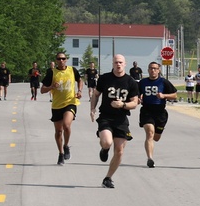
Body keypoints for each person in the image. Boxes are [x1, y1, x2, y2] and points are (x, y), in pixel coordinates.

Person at [89, 54, 139, 188]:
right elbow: (96, 94)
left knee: (120, 151)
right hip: (106, 116)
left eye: (121, 62)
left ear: (125, 64)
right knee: (107, 142)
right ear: (112, 63)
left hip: (121, 119)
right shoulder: (105, 78)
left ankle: (108, 178)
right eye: (116, 62)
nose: (118, 65)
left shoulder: (130, 82)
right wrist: (92, 109)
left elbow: (135, 103)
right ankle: (104, 149)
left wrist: (123, 105)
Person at [41, 52, 83, 165]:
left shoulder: (72, 70)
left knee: (66, 125)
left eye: (63, 58)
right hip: (56, 105)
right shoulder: (52, 72)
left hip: (70, 102)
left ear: (66, 60)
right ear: (56, 60)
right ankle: (60, 153)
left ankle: (66, 145)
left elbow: (80, 80)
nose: (61, 61)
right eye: (59, 59)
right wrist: (51, 87)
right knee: (58, 131)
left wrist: (79, 91)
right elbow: (42, 89)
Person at [138, 61, 178, 168]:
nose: (153, 70)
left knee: (156, 137)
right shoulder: (142, 82)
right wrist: (138, 98)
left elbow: (174, 95)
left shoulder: (163, 82)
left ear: (159, 70)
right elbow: (135, 94)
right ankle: (150, 158)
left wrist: (164, 95)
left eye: (155, 68)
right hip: (147, 111)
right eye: (151, 68)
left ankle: (152, 147)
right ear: (148, 70)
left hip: (160, 113)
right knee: (150, 133)